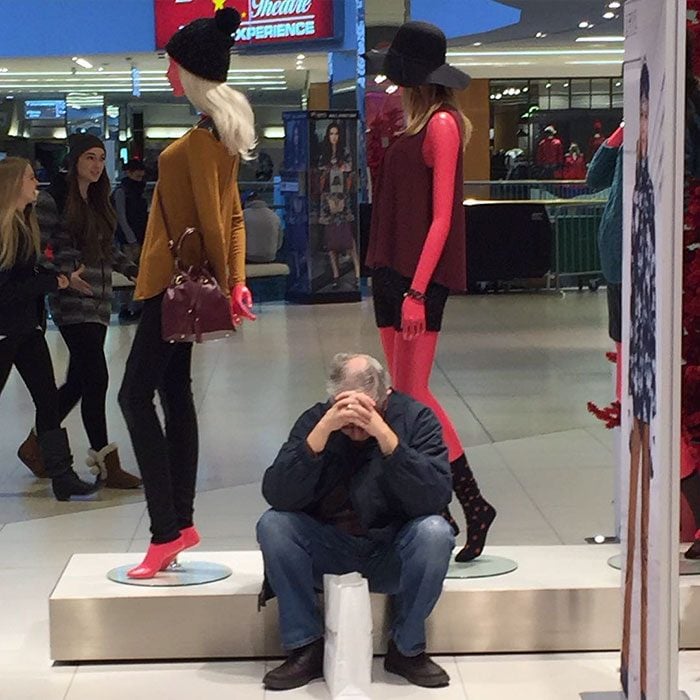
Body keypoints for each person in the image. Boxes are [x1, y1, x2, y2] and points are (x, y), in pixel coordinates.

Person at [118, 7, 257, 579]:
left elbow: (213, 217)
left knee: (134, 398)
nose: (169, 74)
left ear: (189, 72)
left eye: (173, 65)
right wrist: (237, 281)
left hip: (171, 287)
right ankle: (181, 521)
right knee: (174, 392)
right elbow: (232, 218)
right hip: (184, 286)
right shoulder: (217, 138)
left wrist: (228, 286)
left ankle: (164, 530)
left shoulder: (198, 145)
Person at [364, 21, 496, 562]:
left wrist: (418, 291)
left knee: (415, 397)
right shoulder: (411, 124)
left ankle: (460, 502)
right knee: (405, 395)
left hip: (417, 277)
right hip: (391, 270)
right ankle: (442, 508)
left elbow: (444, 217)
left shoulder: (441, 125)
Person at [257, 353, 454, 691]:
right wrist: (319, 436)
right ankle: (305, 646)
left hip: (393, 549)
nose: (355, 424)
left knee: (435, 533)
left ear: (385, 397)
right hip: (330, 548)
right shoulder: (316, 421)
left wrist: (387, 438)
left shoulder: (417, 419)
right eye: (345, 411)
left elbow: (435, 496)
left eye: (366, 411)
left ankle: (406, 648)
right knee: (274, 525)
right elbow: (278, 494)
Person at [16, 134, 143, 492]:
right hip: (72, 300)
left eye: (101, 158)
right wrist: (62, 277)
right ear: (73, 161)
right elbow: (35, 249)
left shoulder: (99, 201)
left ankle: (37, 443)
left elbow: (106, 250)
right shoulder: (53, 199)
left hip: (100, 300)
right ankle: (106, 463)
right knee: (97, 376)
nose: (96, 164)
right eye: (89, 157)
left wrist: (136, 270)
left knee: (79, 380)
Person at [0, 157, 97, 501]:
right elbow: (8, 288)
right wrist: (53, 282)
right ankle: (61, 473)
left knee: (47, 399)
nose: (35, 183)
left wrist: (58, 280)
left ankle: (61, 474)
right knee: (46, 399)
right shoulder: (6, 231)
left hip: (26, 328)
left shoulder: (23, 225)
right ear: (14, 184)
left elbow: (25, 279)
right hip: (6, 331)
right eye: (29, 177)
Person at [317, 121, 360, 289]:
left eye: (336, 134)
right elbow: (321, 176)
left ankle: (357, 273)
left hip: (343, 196)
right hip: (328, 198)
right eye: (331, 134)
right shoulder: (324, 155)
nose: (334, 137)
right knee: (331, 238)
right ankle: (336, 275)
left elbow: (349, 172)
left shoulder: (345, 154)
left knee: (347, 237)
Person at [112, 158, 148, 322]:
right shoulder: (123, 192)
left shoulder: (137, 191)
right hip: (128, 240)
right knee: (128, 272)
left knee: (138, 273)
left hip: (139, 237)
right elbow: (121, 217)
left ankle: (136, 306)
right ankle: (126, 306)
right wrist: (131, 238)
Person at [243, 191, 283, 264]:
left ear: (246, 202)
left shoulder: (243, 215)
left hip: (249, 258)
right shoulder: (274, 216)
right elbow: (279, 244)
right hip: (270, 257)